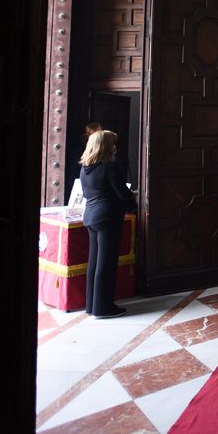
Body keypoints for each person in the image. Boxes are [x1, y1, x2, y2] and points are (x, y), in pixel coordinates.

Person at [79, 130, 136, 319]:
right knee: (107, 262)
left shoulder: (85, 167)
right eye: (112, 143)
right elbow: (122, 193)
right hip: (107, 217)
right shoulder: (109, 167)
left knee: (94, 262)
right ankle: (104, 308)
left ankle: (92, 305)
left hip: (90, 216)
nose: (115, 147)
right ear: (105, 145)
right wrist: (132, 202)